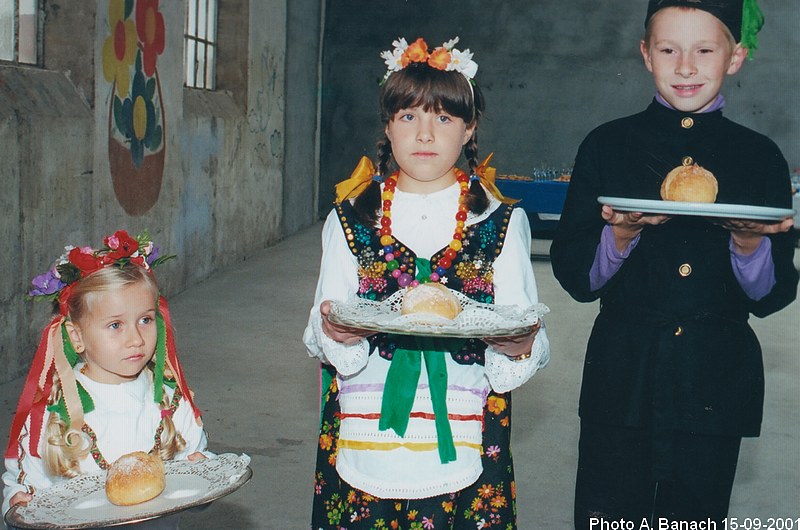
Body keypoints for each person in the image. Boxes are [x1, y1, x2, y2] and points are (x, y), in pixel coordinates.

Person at [550, 1, 798, 527]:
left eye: (705, 50)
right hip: (622, 375)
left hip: (716, 379)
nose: (686, 66)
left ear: (736, 57)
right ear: (645, 55)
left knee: (696, 517)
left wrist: (750, 244)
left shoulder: (760, 158)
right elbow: (575, 276)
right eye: (669, 49)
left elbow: (774, 296)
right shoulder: (607, 145)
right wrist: (618, 232)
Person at [303, 37, 550, 529]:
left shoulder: (499, 220)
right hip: (364, 431)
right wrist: (337, 333)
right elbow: (321, 321)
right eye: (409, 116)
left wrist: (520, 344)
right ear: (388, 126)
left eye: (443, 118)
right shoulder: (350, 218)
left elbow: (523, 327)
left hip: (466, 432)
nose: (424, 134)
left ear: (468, 128)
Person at [3, 229, 208, 528]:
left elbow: (195, 474)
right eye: (115, 325)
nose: (136, 338)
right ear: (76, 336)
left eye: (145, 320)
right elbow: (23, 481)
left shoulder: (170, 401)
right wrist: (19, 499)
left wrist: (203, 478)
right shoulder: (51, 413)